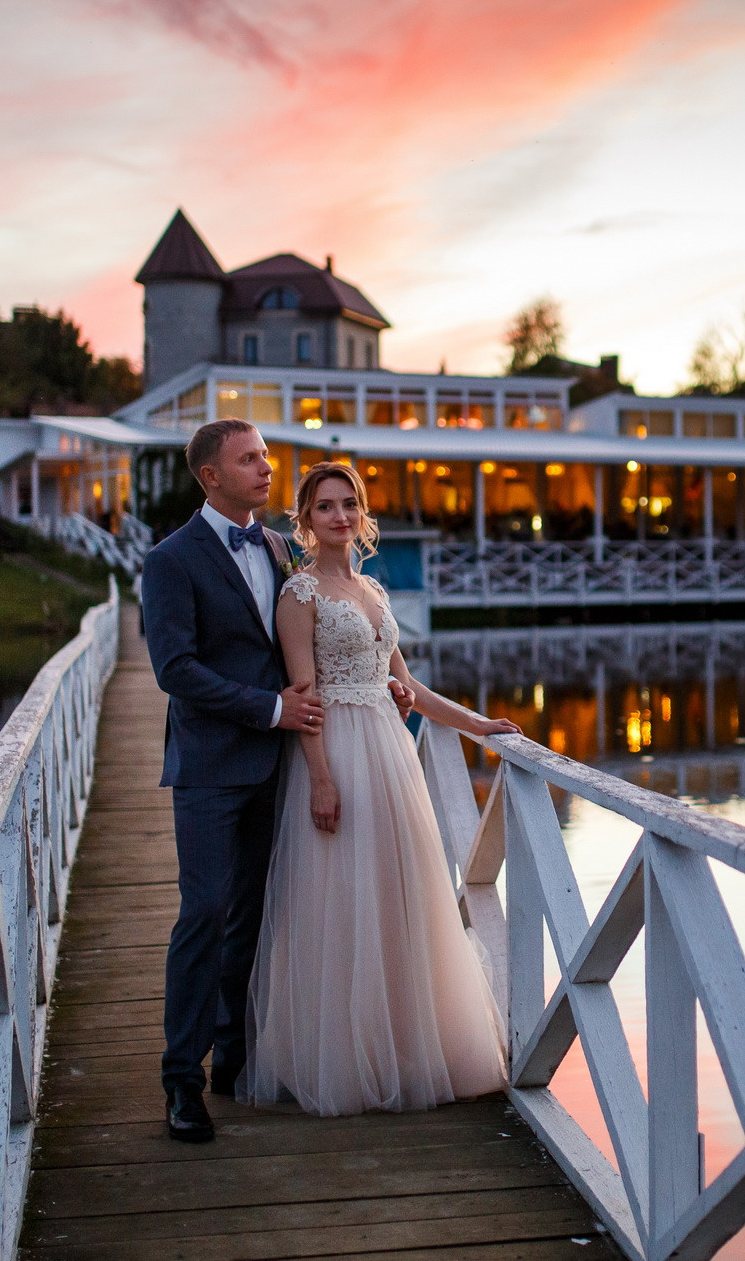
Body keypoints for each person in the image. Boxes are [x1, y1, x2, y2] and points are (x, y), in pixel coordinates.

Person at [243, 460, 518, 1115]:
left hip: (392, 754)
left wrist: (477, 724)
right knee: (344, 898)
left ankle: (408, 1047)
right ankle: (344, 1060)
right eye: (325, 506)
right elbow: (304, 695)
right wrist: (321, 780)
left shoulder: (373, 590)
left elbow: (408, 684)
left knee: (402, 894)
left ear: (362, 514)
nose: (339, 516)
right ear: (306, 519)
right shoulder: (300, 594)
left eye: (349, 504)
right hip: (337, 751)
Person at [140, 419, 327, 1143]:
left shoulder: (281, 548)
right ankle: (181, 1082)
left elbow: (304, 641)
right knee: (205, 913)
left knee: (254, 913)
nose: (267, 468)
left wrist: (380, 683)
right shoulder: (170, 560)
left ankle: (235, 1056)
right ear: (211, 475)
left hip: (278, 765)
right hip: (211, 766)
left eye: (267, 456)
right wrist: (271, 709)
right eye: (250, 459)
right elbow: (175, 670)